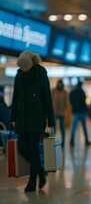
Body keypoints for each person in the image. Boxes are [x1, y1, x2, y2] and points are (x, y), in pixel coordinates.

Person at [10, 51, 55, 192]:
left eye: (24, 67)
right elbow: (16, 97)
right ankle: (40, 170)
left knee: (34, 149)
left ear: (29, 65)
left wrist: (51, 121)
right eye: (20, 67)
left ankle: (32, 181)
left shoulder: (41, 75)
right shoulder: (19, 76)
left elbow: (47, 98)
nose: (22, 69)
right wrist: (13, 117)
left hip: (36, 118)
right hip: (22, 118)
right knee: (22, 147)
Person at [69, 81, 91, 146]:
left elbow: (70, 101)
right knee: (84, 127)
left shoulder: (72, 92)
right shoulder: (82, 92)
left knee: (73, 127)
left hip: (75, 112)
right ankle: (86, 141)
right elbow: (84, 102)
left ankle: (71, 141)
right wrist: (86, 110)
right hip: (81, 112)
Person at [51, 79, 68, 147]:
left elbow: (67, 102)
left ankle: (63, 141)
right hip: (54, 112)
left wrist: (65, 107)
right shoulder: (53, 91)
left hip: (62, 112)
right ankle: (53, 140)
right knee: (54, 127)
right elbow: (50, 100)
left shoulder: (65, 92)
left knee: (62, 128)